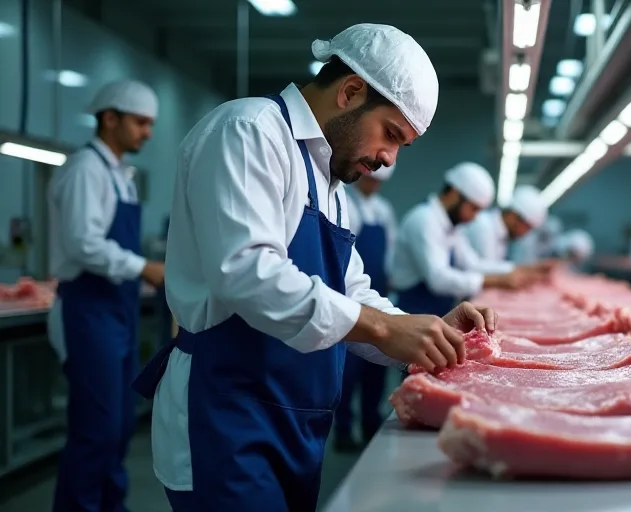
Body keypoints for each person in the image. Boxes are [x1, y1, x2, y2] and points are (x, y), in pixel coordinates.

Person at [130, 24, 495, 511]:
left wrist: (418, 331)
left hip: (297, 419)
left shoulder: (330, 183)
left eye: (401, 146)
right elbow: (246, 272)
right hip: (227, 414)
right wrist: (383, 328)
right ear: (350, 92)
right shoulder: (250, 131)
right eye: (390, 134)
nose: (387, 159)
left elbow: (352, 290)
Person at [46, 79, 165, 512]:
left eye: (151, 124)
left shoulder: (122, 177)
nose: (147, 132)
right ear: (109, 118)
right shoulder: (85, 169)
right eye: (140, 122)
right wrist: (145, 267)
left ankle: (110, 506)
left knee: (116, 426)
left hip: (118, 312)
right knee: (95, 429)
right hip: (87, 310)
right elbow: (83, 243)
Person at [391, 162, 530, 316]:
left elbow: (471, 263)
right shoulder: (424, 219)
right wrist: (495, 280)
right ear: (455, 194)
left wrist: (513, 270)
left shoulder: (452, 227)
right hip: (411, 311)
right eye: (474, 209)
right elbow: (438, 279)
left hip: (434, 312)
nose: (475, 217)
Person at [334, 163, 398, 451]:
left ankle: (371, 424)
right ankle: (344, 430)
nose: (373, 185)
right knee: (348, 372)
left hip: (378, 289)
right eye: (370, 180)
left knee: (376, 371)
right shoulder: (345, 202)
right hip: (351, 296)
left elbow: (391, 250)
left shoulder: (385, 210)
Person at [462, 185, 548, 263]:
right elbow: (488, 272)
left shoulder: (501, 235)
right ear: (513, 215)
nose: (525, 233)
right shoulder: (483, 227)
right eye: (527, 227)